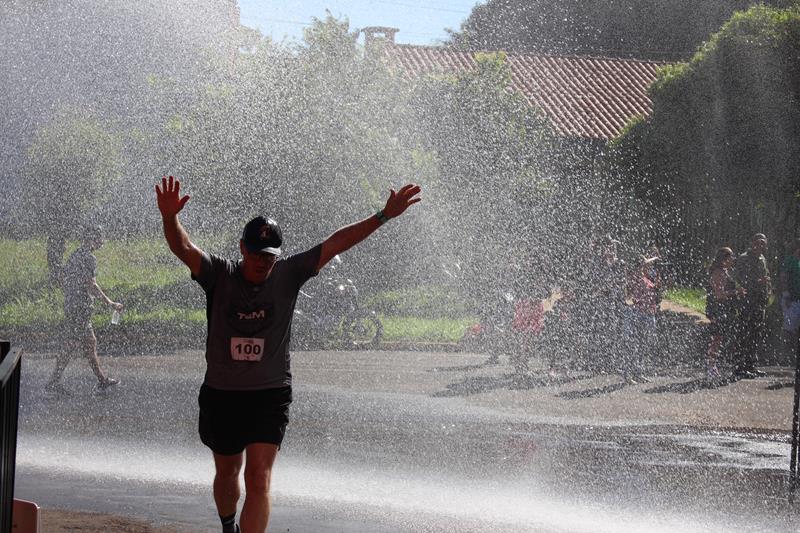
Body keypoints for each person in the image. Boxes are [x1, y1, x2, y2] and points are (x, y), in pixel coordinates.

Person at [155, 176, 421, 533]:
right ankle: (227, 523)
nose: (263, 263)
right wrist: (170, 218)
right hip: (223, 393)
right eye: (256, 255)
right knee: (227, 472)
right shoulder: (219, 276)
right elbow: (183, 247)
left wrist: (382, 216)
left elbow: (335, 243)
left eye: (270, 257)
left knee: (260, 477)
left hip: (270, 393)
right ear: (242, 250)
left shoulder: (288, 274)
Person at [45, 225, 122, 394]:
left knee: (88, 343)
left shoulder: (76, 254)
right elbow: (91, 284)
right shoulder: (88, 258)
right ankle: (54, 381)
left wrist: (71, 296)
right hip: (79, 308)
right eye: (100, 237)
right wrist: (110, 303)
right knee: (72, 344)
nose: (102, 241)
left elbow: (63, 278)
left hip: (74, 306)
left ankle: (101, 380)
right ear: (93, 239)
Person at [733, 234, 771, 378]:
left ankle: (751, 365)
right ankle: (739, 366)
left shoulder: (763, 259)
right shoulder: (744, 258)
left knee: (756, 334)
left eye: (763, 244)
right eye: (758, 243)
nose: (760, 246)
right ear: (752, 243)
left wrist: (767, 289)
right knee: (744, 333)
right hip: (748, 301)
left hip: (760, 302)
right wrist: (757, 281)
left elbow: (766, 276)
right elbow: (740, 279)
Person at [705, 247, 745, 380]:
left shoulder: (725, 271)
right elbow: (719, 294)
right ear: (724, 259)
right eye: (731, 257)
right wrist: (736, 292)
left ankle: (714, 365)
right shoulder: (718, 272)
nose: (733, 259)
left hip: (725, 309)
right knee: (716, 338)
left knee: (719, 338)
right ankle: (711, 366)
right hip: (717, 309)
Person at [623, 256, 661, 384]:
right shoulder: (633, 279)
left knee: (642, 344)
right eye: (646, 265)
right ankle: (628, 374)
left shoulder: (645, 278)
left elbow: (652, 293)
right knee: (634, 345)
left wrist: (656, 286)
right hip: (637, 314)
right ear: (640, 266)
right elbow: (628, 297)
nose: (649, 267)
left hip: (647, 313)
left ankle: (638, 372)